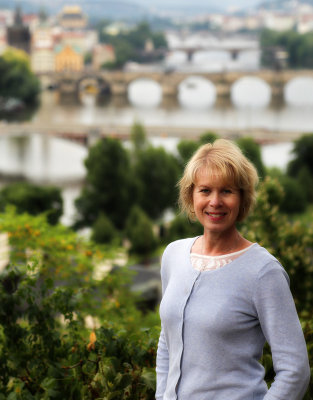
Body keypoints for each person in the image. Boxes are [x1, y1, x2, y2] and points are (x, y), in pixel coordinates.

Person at [156, 139, 310, 400]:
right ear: (191, 195)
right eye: (205, 190)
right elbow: (167, 342)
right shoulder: (173, 255)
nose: (215, 201)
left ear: (242, 198)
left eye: (226, 191)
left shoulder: (263, 272)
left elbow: (295, 370)